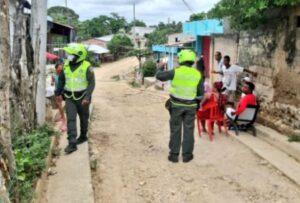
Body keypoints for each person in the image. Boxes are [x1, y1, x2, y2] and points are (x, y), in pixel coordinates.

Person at [156, 49, 204, 163]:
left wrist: (160, 66)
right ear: (192, 60)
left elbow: (159, 76)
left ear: (181, 59)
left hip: (176, 105)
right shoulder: (198, 74)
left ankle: (174, 155)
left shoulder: (176, 71)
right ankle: (187, 156)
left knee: (175, 129)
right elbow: (200, 93)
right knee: (189, 130)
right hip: (191, 106)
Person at [55, 43, 95, 154]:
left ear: (79, 55)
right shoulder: (66, 65)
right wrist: (57, 92)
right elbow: (62, 80)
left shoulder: (87, 66)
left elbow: (91, 83)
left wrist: (87, 97)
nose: (69, 55)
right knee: (71, 119)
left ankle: (83, 136)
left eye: (71, 54)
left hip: (83, 98)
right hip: (69, 97)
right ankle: (72, 143)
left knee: (83, 118)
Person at [52, 63, 67, 132]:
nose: (61, 69)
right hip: (56, 91)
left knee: (61, 105)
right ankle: (62, 116)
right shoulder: (54, 75)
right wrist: (52, 83)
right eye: (59, 68)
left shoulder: (64, 75)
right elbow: (53, 82)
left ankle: (64, 119)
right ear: (56, 68)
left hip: (62, 91)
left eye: (62, 68)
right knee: (59, 105)